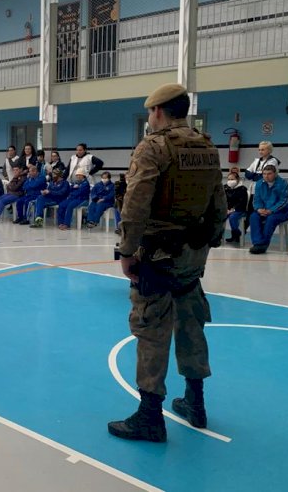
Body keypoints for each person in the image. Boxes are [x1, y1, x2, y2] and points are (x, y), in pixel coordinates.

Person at [108, 83, 227, 443]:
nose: (149, 118)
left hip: (158, 254)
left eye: (149, 112)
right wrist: (211, 239)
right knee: (191, 322)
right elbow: (218, 200)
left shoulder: (153, 147)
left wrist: (127, 251)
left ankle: (149, 416)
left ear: (158, 111)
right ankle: (195, 401)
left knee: (152, 329)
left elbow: (136, 203)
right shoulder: (207, 147)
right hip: (193, 252)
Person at [248, 165, 288, 254]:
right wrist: (259, 209)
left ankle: (263, 244)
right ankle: (257, 243)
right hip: (264, 209)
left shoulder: (283, 183)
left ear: (275, 174)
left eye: (269, 174)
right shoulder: (259, 183)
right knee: (253, 216)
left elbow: (284, 200)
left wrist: (271, 210)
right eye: (264, 174)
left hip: (282, 211)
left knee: (271, 219)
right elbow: (257, 199)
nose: (266, 176)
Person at [243, 141, 280, 233]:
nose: (260, 151)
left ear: (269, 150)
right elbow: (247, 173)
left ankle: (262, 235)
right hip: (254, 191)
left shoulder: (273, 161)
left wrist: (256, 175)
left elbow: (265, 176)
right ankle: (240, 234)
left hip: (266, 191)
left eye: (263, 149)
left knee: (262, 213)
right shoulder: (257, 161)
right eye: (259, 149)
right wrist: (256, 175)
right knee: (250, 212)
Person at [224, 171, 248, 244]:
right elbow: (223, 200)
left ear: (237, 179)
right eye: (229, 179)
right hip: (227, 209)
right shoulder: (225, 188)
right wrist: (226, 209)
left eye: (232, 179)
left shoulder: (242, 189)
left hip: (239, 209)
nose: (230, 181)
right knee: (219, 216)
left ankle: (236, 233)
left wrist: (233, 209)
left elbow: (242, 202)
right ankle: (218, 236)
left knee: (233, 217)